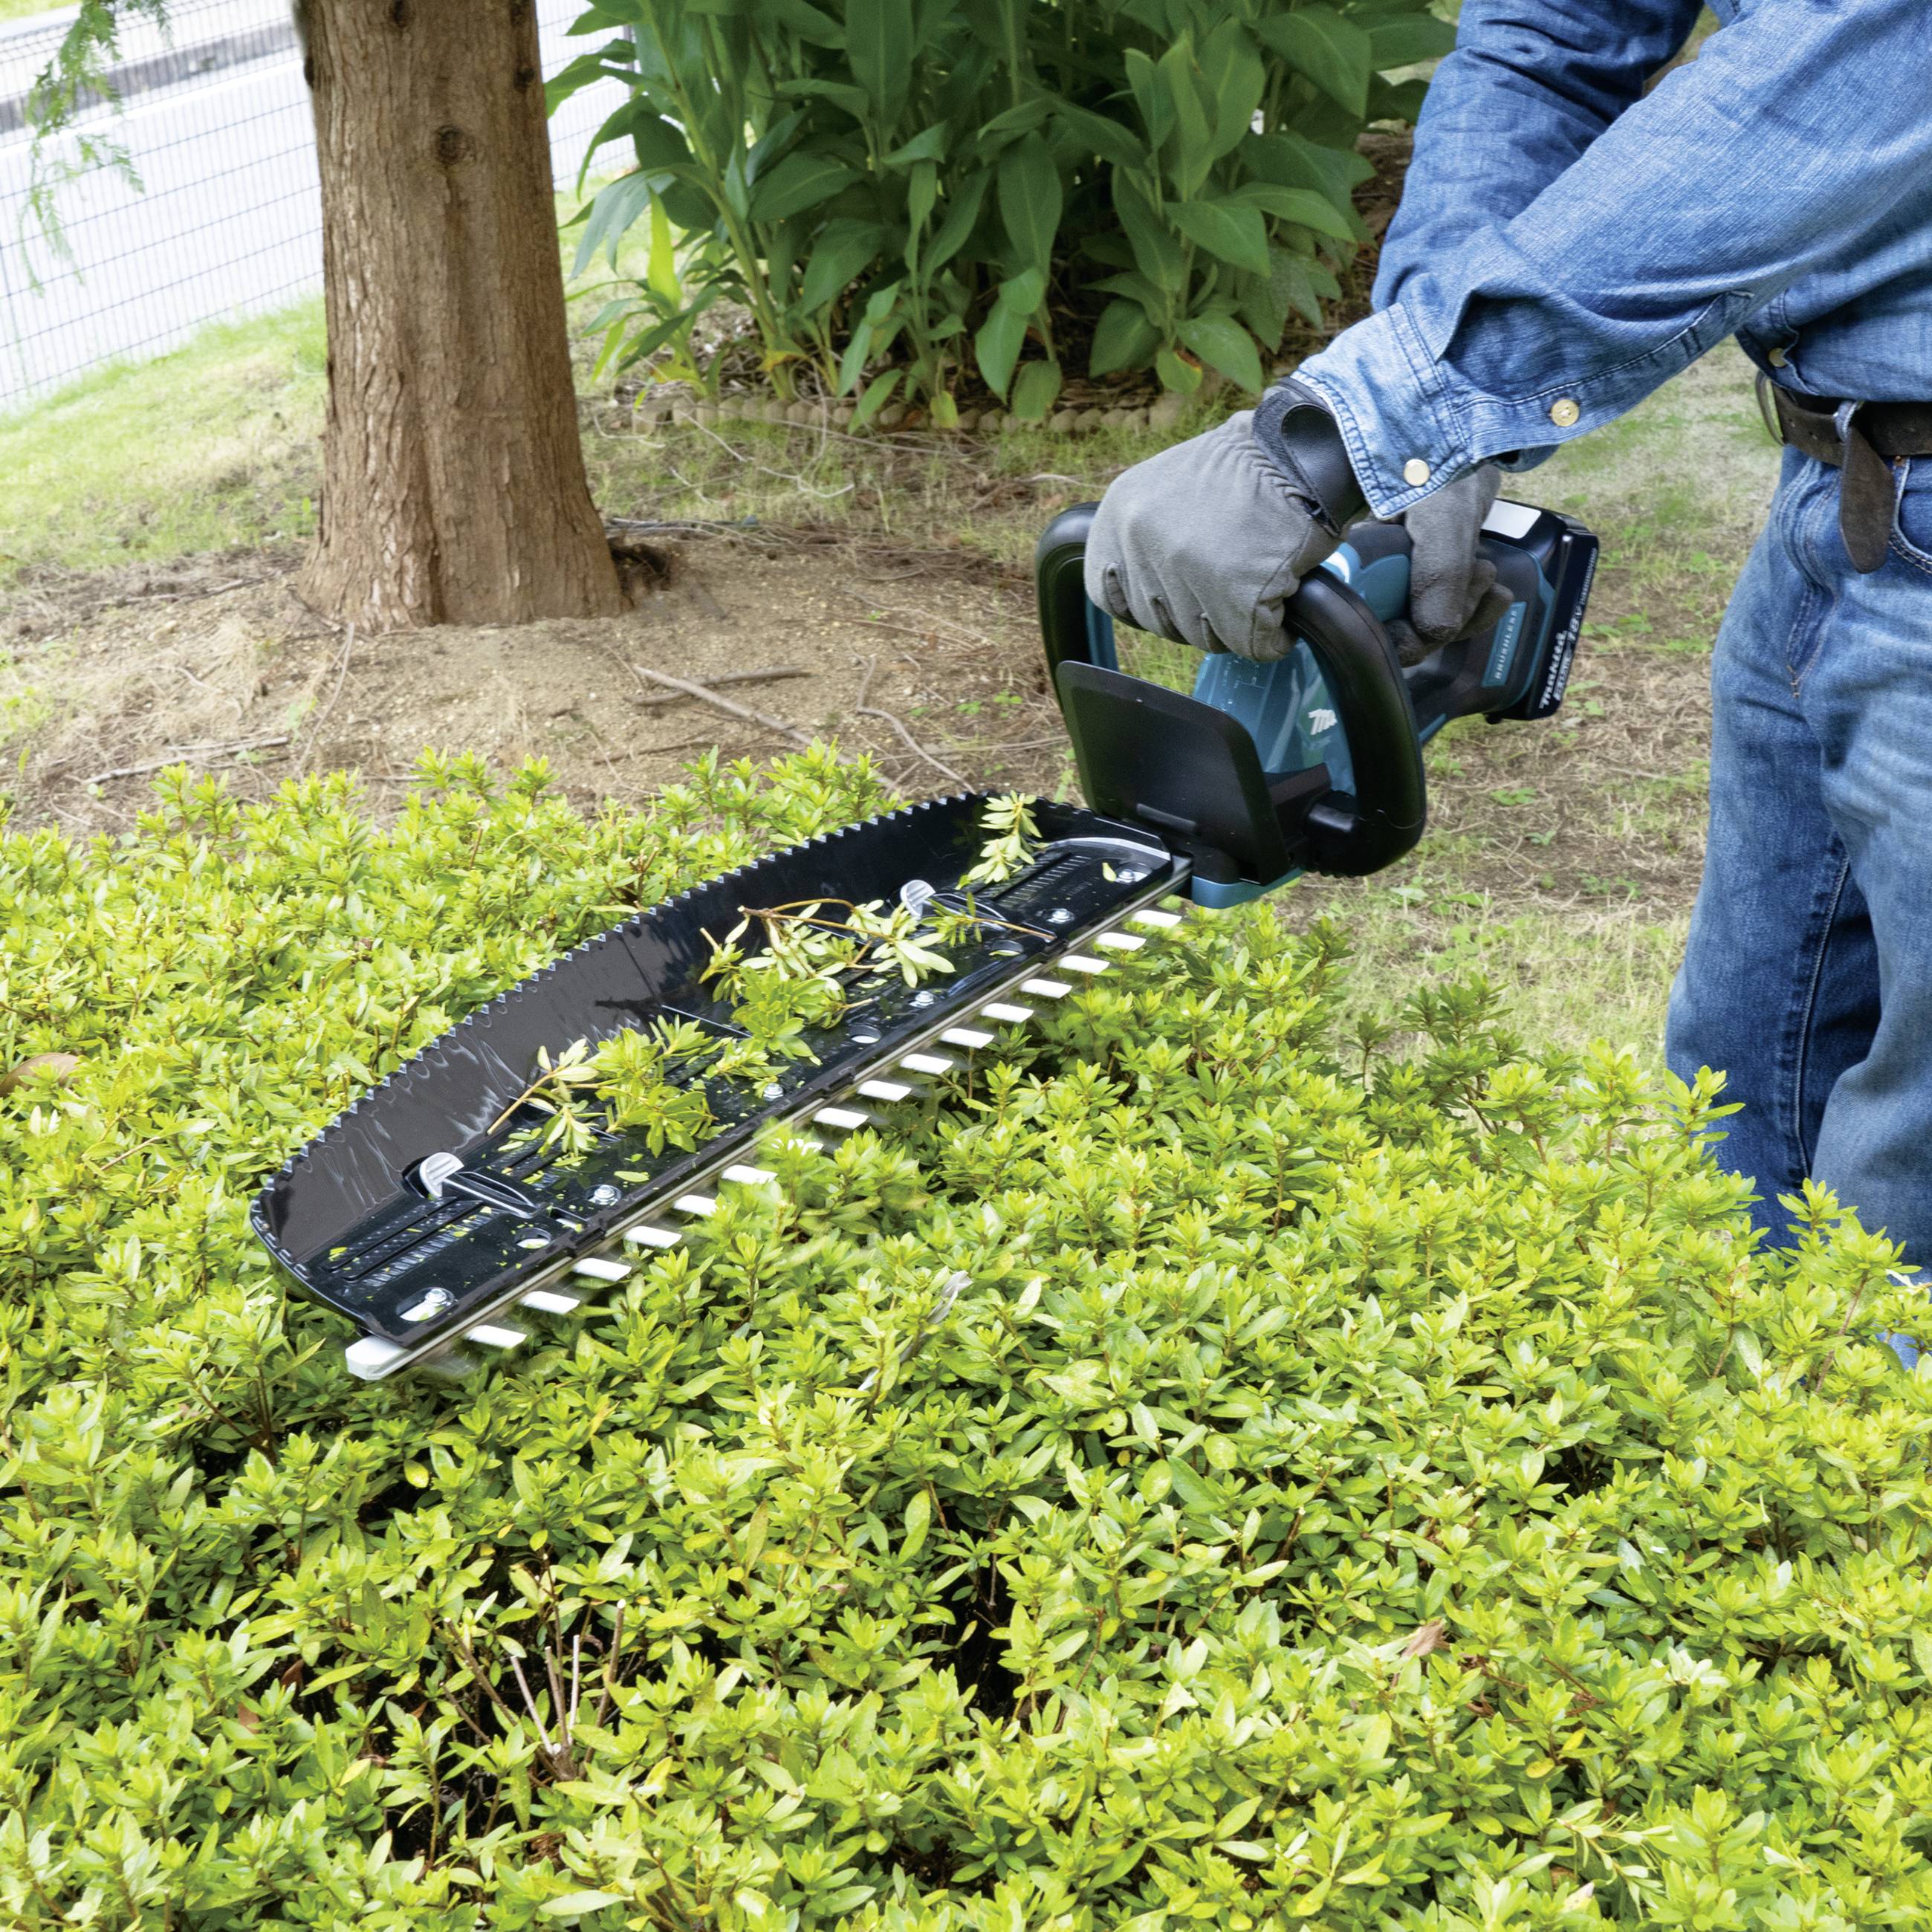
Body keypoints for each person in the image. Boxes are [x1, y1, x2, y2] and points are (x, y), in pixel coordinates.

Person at [1086, 0, 1932, 1266]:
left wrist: (1355, 426)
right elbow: (1552, 35)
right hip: (1843, 477)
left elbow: (1850, 69)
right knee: (1748, 1079)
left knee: (1904, 1169)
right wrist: (1441, 428)